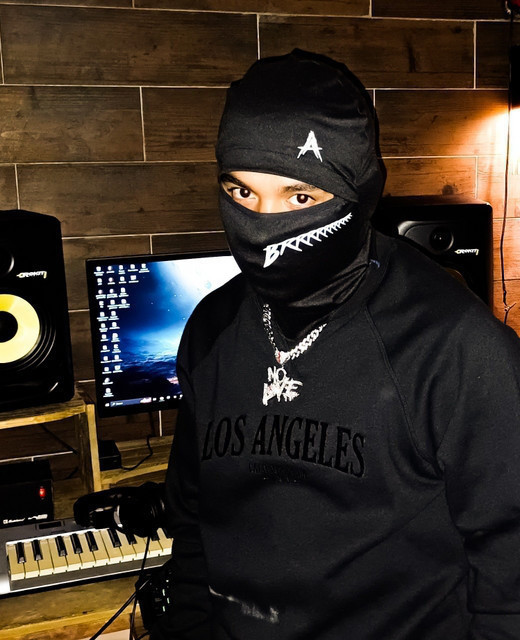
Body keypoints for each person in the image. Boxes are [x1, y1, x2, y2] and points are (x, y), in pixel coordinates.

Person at [151, 49, 520, 639]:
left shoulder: (456, 347)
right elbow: (194, 525)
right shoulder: (212, 327)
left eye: (299, 197)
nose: (262, 224)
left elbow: (510, 571)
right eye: (241, 192)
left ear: (359, 194)